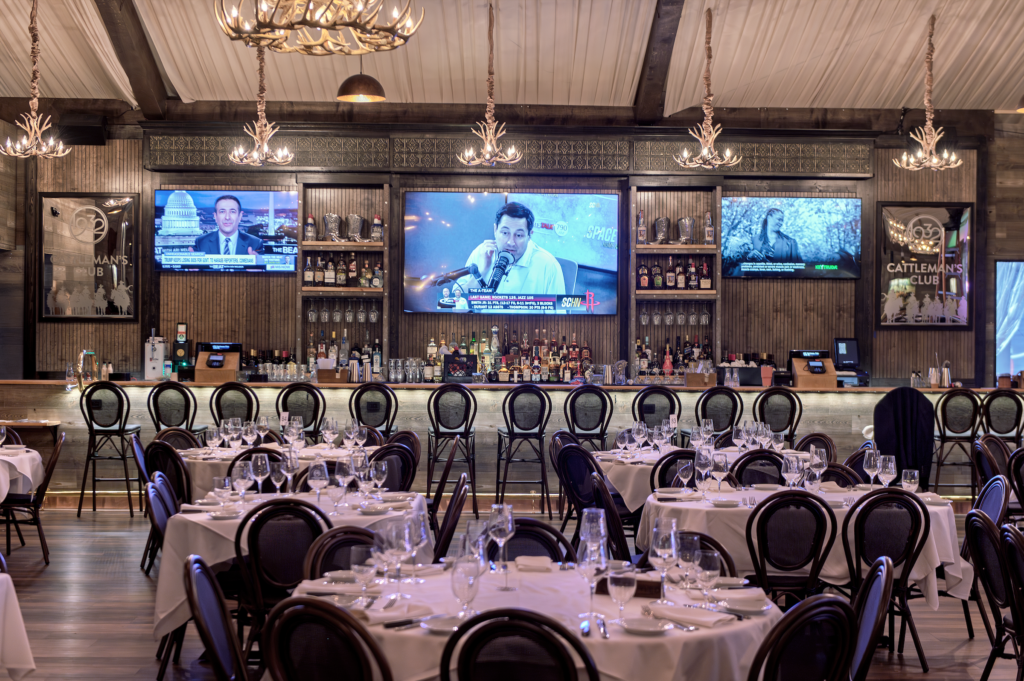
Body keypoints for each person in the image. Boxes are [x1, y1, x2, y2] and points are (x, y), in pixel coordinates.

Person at [457, 202, 565, 296]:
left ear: (529, 235)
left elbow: (558, 312)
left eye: (518, 235)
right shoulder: (482, 252)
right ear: (495, 230)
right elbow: (456, 304)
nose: (510, 242)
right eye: (505, 233)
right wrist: (481, 272)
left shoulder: (549, 266)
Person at [191, 195, 263, 255]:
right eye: (222, 212)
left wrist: (258, 266)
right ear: (215, 216)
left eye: (232, 211)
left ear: (240, 216)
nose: (227, 217)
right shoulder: (201, 243)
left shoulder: (255, 244)